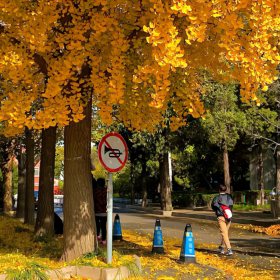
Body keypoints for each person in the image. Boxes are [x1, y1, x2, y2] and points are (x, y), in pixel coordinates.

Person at [211, 184, 234, 256]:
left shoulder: (217, 198)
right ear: (226, 190)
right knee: (225, 233)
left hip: (221, 216)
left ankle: (229, 249)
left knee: (224, 233)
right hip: (229, 216)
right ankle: (222, 248)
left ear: (219, 190)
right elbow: (231, 206)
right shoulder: (229, 197)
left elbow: (213, 206)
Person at [92, 177, 107, 245]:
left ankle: (97, 236)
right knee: (103, 226)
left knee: (97, 224)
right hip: (104, 211)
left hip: (96, 210)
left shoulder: (94, 191)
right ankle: (104, 240)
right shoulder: (105, 190)